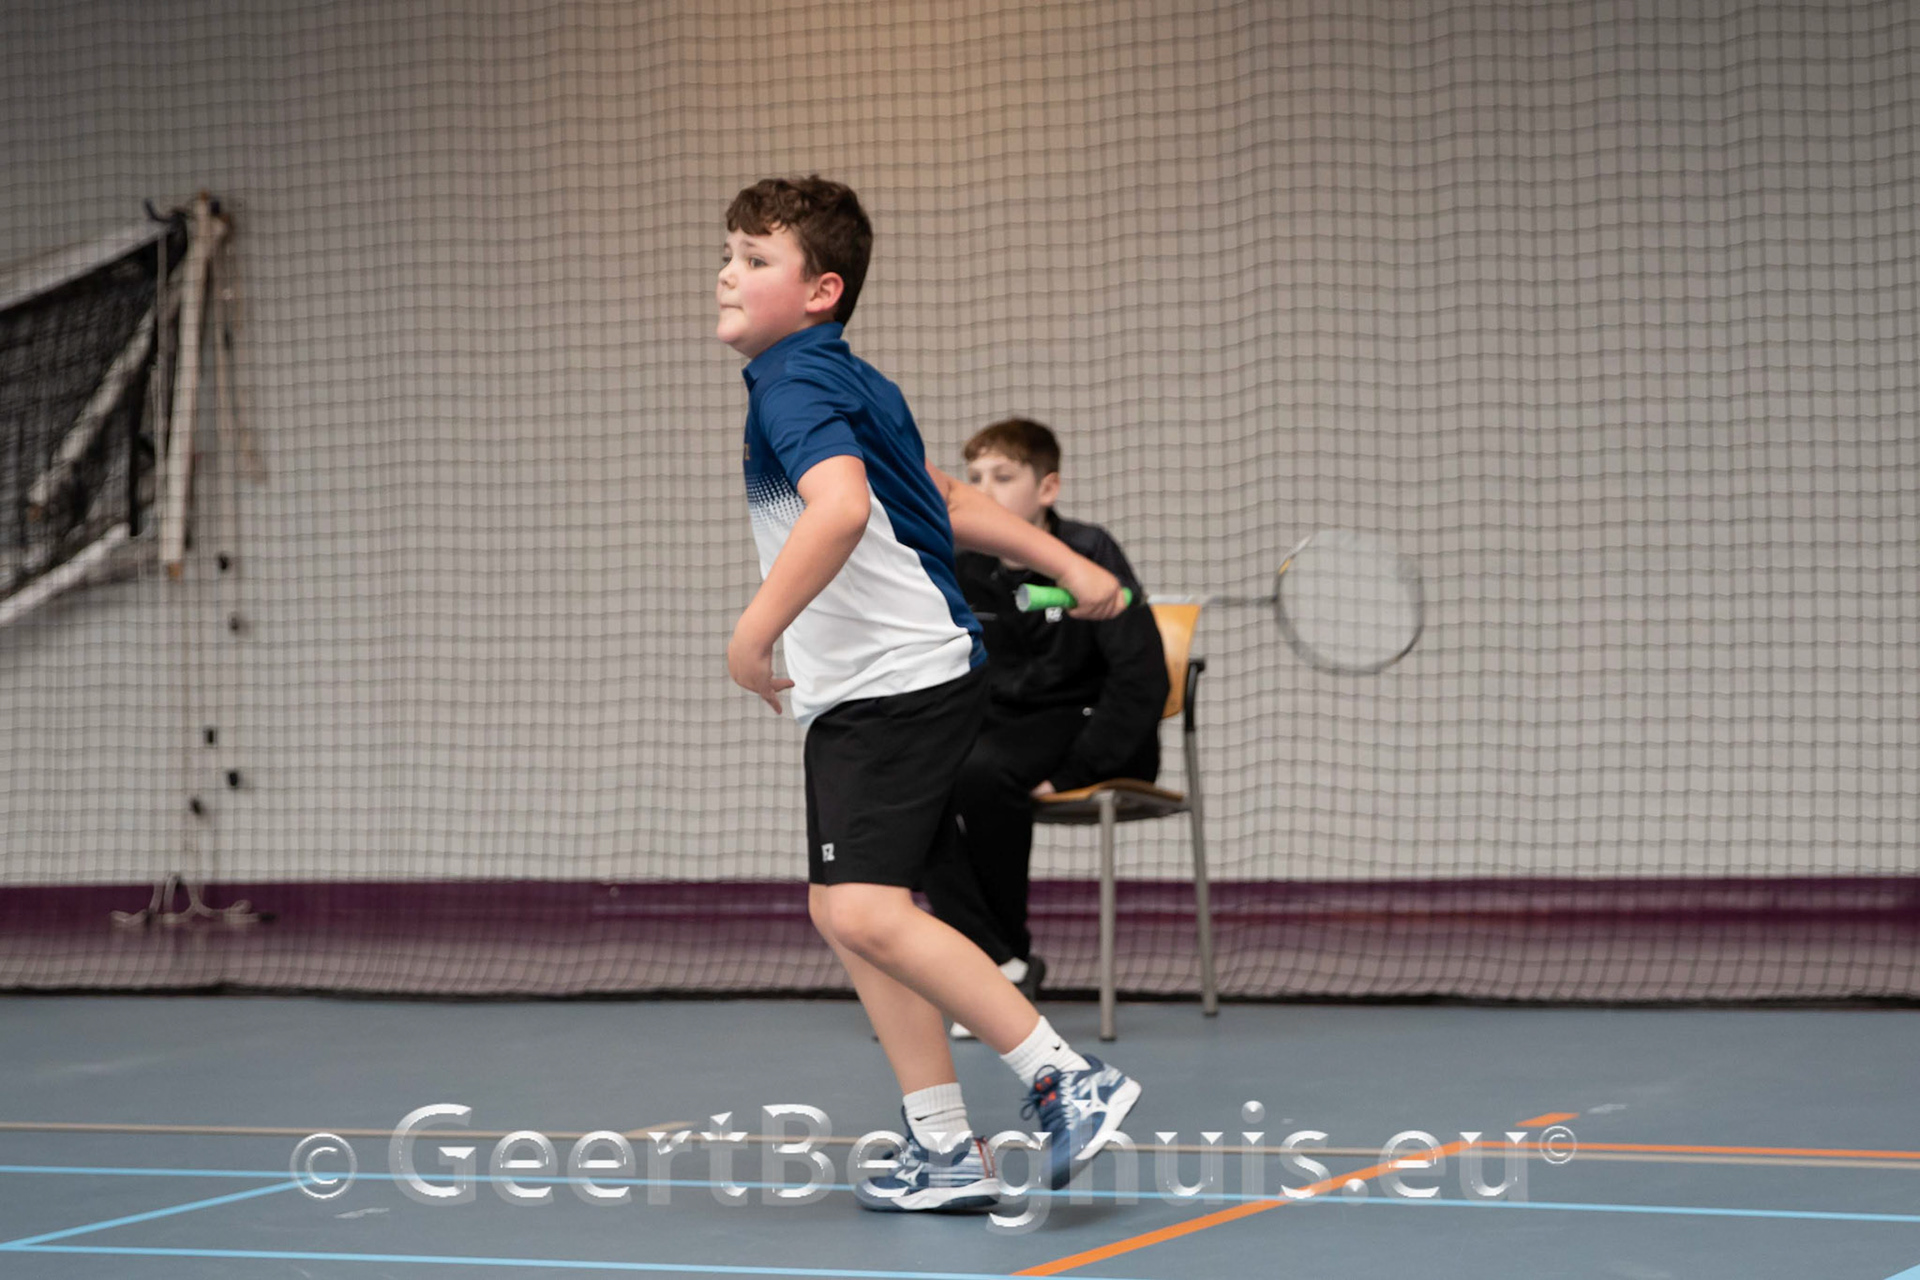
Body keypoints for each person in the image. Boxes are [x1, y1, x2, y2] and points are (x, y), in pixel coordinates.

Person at [717, 175, 1142, 1211]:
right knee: (845, 909)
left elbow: (839, 509)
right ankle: (942, 1144)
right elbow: (940, 501)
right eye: (727, 254)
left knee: (863, 906)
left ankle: (1064, 1076)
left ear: (820, 290)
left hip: (890, 679)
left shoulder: (792, 386)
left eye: (754, 259)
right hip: (896, 677)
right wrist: (1071, 564)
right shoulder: (852, 379)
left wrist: (752, 630)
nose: (726, 273)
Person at [923, 420, 1168, 1039]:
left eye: (1003, 477)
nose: (983, 490)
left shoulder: (1090, 551)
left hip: (1086, 728)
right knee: (910, 784)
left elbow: (1140, 678)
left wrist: (1073, 772)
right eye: (974, 478)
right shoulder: (964, 564)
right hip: (1003, 727)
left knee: (983, 774)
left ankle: (997, 970)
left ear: (1048, 488)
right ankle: (998, 961)